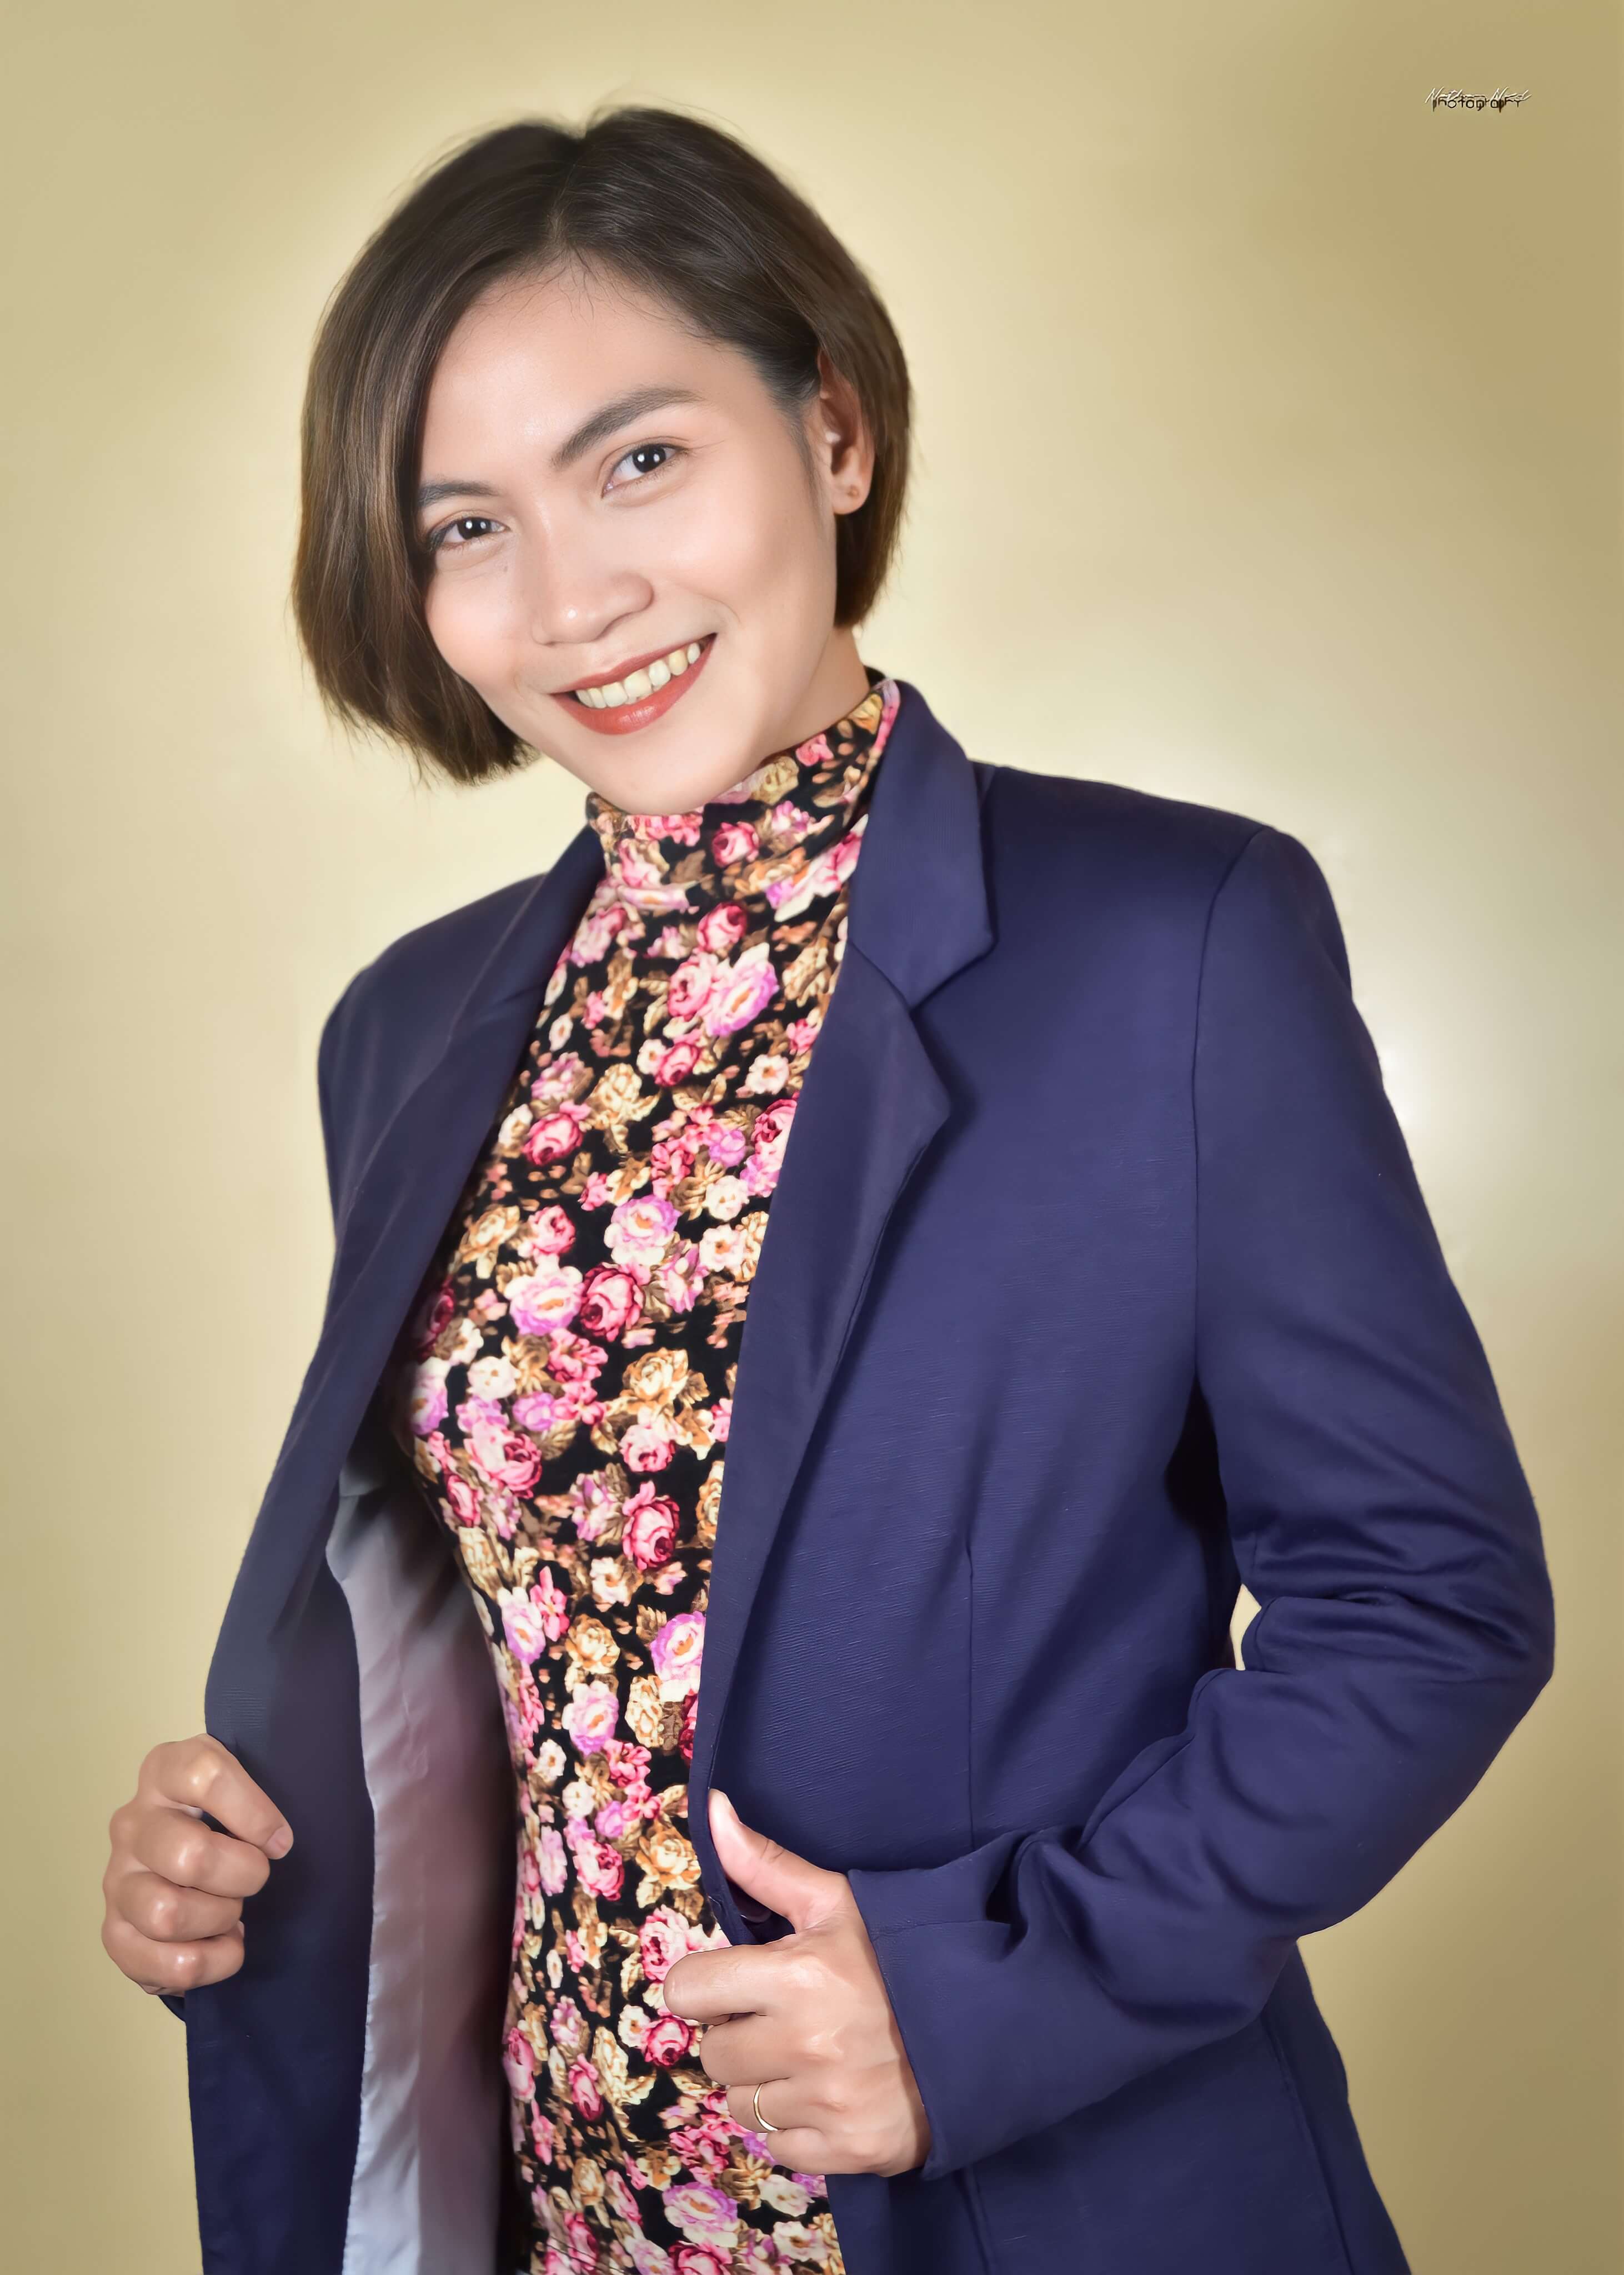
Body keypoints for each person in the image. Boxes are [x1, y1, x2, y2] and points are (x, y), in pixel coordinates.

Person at [99, 106, 1556, 2275]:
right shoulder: (401, 1033)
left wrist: (994, 2001)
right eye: (467, 525)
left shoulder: (1170, 944)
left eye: (639, 460)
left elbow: (1426, 1597)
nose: (573, 599)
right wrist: (255, 1859)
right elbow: (511, 1648)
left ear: (836, 432)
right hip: (564, 2221)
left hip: (1041, 2203)